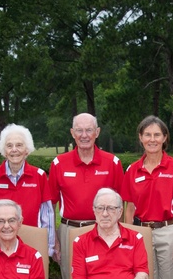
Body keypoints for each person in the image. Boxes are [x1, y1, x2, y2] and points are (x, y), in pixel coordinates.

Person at [48, 113, 124, 279]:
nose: (84, 135)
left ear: (97, 132)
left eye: (88, 130)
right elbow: (50, 206)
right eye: (79, 130)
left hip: (103, 231)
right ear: (72, 133)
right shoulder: (59, 163)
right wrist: (54, 239)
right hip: (70, 230)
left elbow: (121, 205)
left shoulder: (112, 163)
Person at [121, 115, 173, 279]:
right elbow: (129, 209)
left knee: (169, 276)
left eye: (157, 135)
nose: (152, 139)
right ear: (140, 137)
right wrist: (127, 240)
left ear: (164, 137)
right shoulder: (132, 170)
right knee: (145, 275)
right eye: (147, 134)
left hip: (168, 232)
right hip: (141, 232)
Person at [0, 124, 55, 257]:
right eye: (9, 146)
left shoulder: (39, 175)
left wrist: (49, 246)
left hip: (31, 243)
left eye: (19, 145)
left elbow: (47, 215)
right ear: (4, 150)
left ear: (27, 150)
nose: (14, 150)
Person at [72, 188, 148, 279]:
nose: (104, 214)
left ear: (120, 212)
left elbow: (142, 273)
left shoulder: (135, 238)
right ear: (94, 211)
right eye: (100, 208)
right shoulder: (80, 242)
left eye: (111, 208)